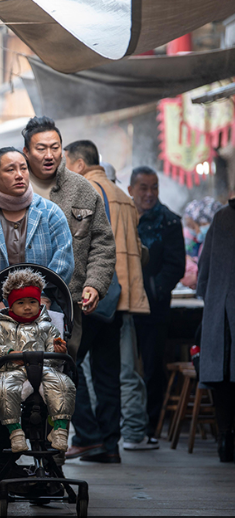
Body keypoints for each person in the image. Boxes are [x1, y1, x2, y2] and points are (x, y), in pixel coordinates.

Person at [0, 146, 74, 485]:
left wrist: (39, 296)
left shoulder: (51, 213)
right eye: (10, 169)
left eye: (23, 168)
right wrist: (3, 303)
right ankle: (1, 461)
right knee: (2, 385)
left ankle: (50, 462)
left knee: (48, 386)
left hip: (43, 318)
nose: (20, 175)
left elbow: (64, 260)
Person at [0, 118, 116, 359]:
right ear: (26, 151)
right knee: (5, 376)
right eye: (41, 148)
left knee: (58, 376)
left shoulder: (82, 189)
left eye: (55, 147)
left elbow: (102, 242)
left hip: (61, 300)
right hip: (4, 305)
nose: (49, 155)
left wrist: (94, 283)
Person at [64, 141, 155, 461]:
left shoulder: (85, 189)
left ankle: (88, 434)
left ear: (77, 164)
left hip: (92, 294)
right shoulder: (123, 197)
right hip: (118, 298)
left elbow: (85, 245)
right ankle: (108, 445)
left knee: (65, 366)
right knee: (107, 373)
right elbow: (140, 252)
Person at [0, 268, 75, 452]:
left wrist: (57, 351)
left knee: (64, 384)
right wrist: (8, 352)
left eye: (33, 302)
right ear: (10, 306)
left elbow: (54, 356)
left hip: (44, 369)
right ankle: (15, 432)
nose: (27, 307)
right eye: (21, 303)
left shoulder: (47, 326)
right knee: (2, 389)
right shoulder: (1, 326)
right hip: (12, 370)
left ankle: (59, 430)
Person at [128, 166, 185, 438]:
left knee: (152, 368)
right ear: (131, 190)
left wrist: (153, 290)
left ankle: (150, 426)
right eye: (143, 188)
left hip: (155, 308)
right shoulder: (124, 217)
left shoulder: (169, 221)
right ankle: (127, 423)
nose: (149, 194)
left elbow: (176, 266)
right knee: (127, 368)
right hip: (125, 307)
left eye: (154, 188)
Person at [197, 195, 235, 462]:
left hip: (220, 313)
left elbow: (203, 273)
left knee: (222, 378)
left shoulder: (221, 218)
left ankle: (225, 437)